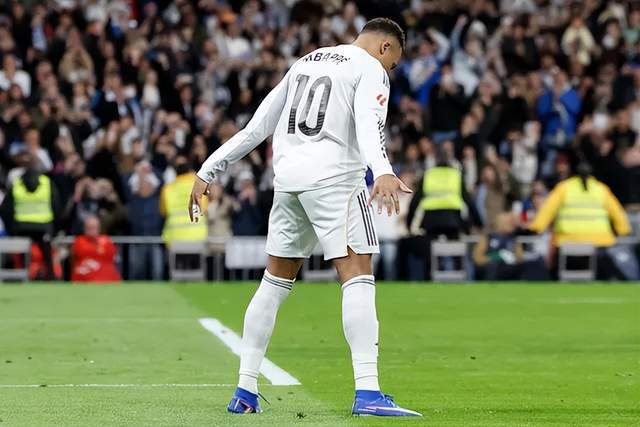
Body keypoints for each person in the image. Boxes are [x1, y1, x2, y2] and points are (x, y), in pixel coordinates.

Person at [190, 18, 420, 417]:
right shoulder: (370, 68)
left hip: (288, 181)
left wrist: (208, 169)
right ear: (385, 47)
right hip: (335, 181)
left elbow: (257, 127)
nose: (391, 69)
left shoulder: (306, 61)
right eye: (394, 62)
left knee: (273, 283)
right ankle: (368, 391)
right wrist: (382, 170)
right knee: (358, 276)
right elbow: (370, 124)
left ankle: (245, 390)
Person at [529, 163, 634, 279]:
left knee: (556, 271)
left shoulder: (564, 188)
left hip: (568, 240)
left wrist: (536, 228)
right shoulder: (600, 189)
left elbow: (548, 209)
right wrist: (624, 230)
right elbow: (617, 211)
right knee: (606, 271)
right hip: (598, 241)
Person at [0, 165, 60, 280]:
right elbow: (56, 206)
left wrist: (11, 228)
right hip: (43, 226)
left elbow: (5, 209)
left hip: (20, 226)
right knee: (46, 252)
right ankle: (51, 275)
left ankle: (20, 275)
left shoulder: (17, 184)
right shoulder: (47, 183)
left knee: (21, 253)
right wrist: (53, 227)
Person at [71, 215, 121, 282]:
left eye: (93, 227)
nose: (91, 230)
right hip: (84, 277)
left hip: (106, 277)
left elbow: (112, 257)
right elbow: (80, 254)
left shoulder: (106, 240)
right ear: (84, 228)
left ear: (99, 228)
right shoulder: (79, 241)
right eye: (89, 227)